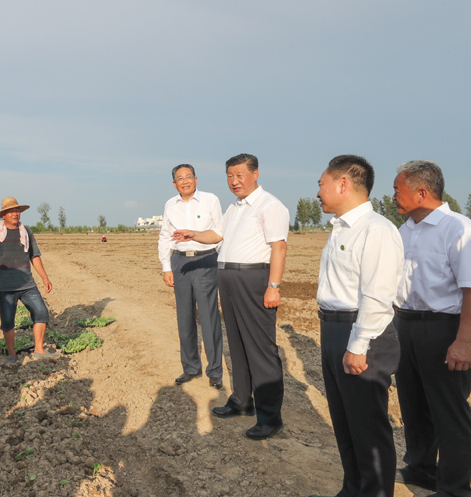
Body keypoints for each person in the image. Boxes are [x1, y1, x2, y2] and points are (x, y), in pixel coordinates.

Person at [176, 153, 288, 439]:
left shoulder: (270, 205)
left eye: (239, 175)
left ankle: (270, 416)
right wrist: (193, 234)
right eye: (229, 176)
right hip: (227, 277)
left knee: (260, 348)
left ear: (255, 173)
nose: (234, 181)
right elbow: (217, 236)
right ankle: (241, 401)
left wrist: (273, 286)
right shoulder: (235, 208)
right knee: (237, 344)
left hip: (253, 278)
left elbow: (279, 247)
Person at [312, 155, 403, 497]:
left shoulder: (376, 230)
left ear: (343, 184)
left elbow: (377, 296)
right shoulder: (340, 228)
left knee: (368, 427)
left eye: (321, 183)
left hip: (362, 333)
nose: (318, 191)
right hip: (334, 329)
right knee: (346, 423)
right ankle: (353, 489)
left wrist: (358, 344)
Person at [391, 160, 471, 497]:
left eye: (398, 190)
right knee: (413, 402)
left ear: (422, 192)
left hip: (443, 328)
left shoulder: (458, 228)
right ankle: (421, 468)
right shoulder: (404, 229)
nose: (393, 196)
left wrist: (464, 341)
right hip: (404, 325)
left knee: (448, 409)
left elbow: (470, 288)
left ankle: (455, 486)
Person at [158, 163, 224, 388]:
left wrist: (221, 262)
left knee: (209, 318)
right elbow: (165, 236)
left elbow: (220, 232)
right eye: (180, 178)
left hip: (205, 260)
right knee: (184, 318)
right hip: (180, 262)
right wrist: (167, 266)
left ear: (196, 179)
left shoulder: (210, 200)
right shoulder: (170, 205)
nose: (185, 181)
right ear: (174, 183)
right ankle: (190, 367)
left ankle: (215, 371)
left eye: (189, 176)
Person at [0, 197, 54, 363]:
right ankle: (11, 354)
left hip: (27, 284)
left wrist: (45, 277)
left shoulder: (26, 232)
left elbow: (34, 256)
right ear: (4, 215)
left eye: (17, 210)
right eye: (11, 211)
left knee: (41, 313)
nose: (15, 214)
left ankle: (39, 349)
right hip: (6, 287)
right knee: (7, 322)